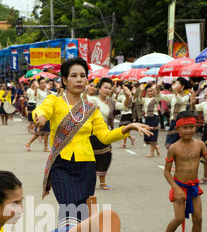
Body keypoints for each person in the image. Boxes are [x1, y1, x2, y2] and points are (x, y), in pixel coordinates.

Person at [32, 58, 152, 222]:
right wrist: (40, 118)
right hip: (61, 165)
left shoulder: (91, 109)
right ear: (65, 80)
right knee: (68, 210)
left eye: (83, 75)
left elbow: (105, 136)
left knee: (82, 215)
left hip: (86, 166)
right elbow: (42, 110)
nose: (79, 79)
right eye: (74, 75)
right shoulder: (54, 102)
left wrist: (128, 127)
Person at [157, 111, 207, 232]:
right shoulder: (173, 148)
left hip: (194, 187)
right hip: (179, 186)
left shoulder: (200, 145)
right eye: (184, 128)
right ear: (178, 129)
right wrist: (176, 188)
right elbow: (166, 172)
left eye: (191, 127)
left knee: (198, 218)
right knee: (179, 218)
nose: (189, 130)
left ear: (196, 127)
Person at [88, 77, 116, 190]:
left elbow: (124, 106)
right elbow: (86, 100)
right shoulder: (94, 100)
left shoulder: (110, 102)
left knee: (105, 156)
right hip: (94, 132)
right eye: (105, 87)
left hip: (106, 132)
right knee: (92, 157)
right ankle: (90, 182)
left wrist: (128, 96)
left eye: (109, 88)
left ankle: (102, 182)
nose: (107, 90)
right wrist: (88, 89)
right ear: (99, 88)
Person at [158, 77, 191, 149]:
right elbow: (160, 96)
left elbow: (180, 101)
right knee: (169, 142)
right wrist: (158, 86)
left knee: (176, 142)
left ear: (182, 86)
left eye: (177, 84)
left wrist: (175, 91)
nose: (174, 85)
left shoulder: (187, 97)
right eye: (174, 84)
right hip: (173, 121)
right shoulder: (172, 96)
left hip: (182, 122)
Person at [25, 77, 51, 152]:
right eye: (42, 83)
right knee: (46, 130)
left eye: (44, 83)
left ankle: (28, 143)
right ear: (39, 84)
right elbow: (35, 95)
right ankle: (45, 147)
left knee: (39, 132)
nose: (44, 84)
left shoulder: (47, 91)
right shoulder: (38, 91)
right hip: (40, 111)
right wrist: (36, 87)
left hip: (46, 111)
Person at [138, 82, 161, 157]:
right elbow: (140, 100)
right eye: (148, 91)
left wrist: (156, 87)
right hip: (147, 117)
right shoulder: (145, 99)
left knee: (153, 133)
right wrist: (141, 91)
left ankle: (152, 152)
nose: (149, 92)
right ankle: (156, 146)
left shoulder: (156, 99)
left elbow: (158, 95)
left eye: (151, 91)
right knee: (147, 134)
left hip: (154, 117)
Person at [115, 82, 136, 148]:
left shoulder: (131, 96)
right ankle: (131, 138)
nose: (125, 91)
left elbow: (134, 100)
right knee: (123, 129)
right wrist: (117, 93)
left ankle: (124, 143)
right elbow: (115, 99)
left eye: (126, 89)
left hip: (128, 114)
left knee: (124, 128)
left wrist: (134, 93)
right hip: (123, 113)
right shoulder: (122, 96)